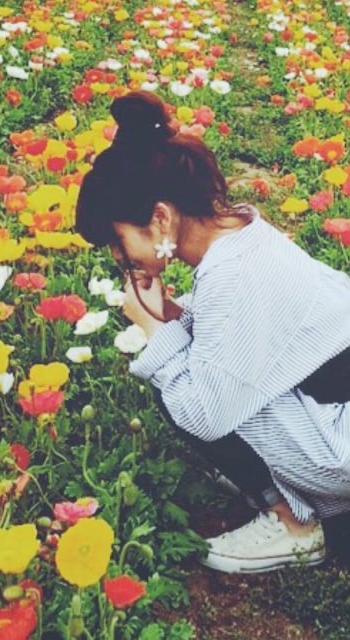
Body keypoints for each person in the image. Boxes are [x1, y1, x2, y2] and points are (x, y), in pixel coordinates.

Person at [75, 90, 350, 573]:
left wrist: (153, 329)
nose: (120, 259)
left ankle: (294, 524)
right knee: (186, 360)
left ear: (160, 217)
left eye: (119, 241)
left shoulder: (232, 275)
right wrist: (172, 317)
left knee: (179, 385)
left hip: (339, 440)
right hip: (335, 402)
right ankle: (284, 487)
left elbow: (203, 415)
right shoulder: (241, 233)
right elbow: (236, 335)